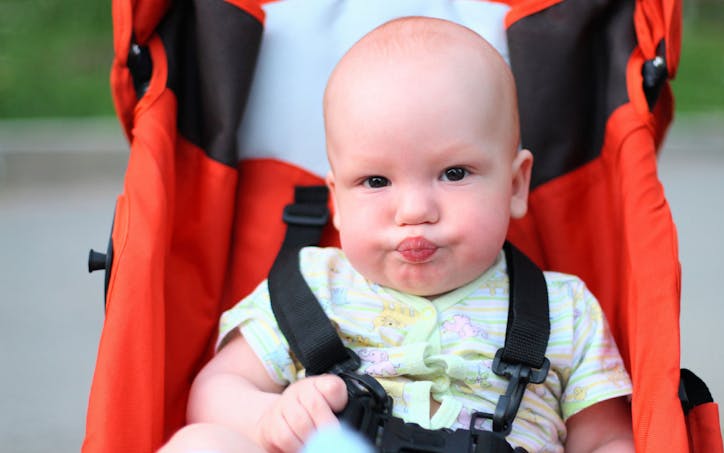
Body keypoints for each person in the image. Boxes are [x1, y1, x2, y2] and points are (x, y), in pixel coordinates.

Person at [160, 16, 634, 453]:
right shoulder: (311, 288)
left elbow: (605, 440)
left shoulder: (566, 311)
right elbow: (215, 390)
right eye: (375, 181)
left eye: (453, 173)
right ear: (337, 202)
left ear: (515, 185)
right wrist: (270, 417)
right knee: (199, 443)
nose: (414, 211)